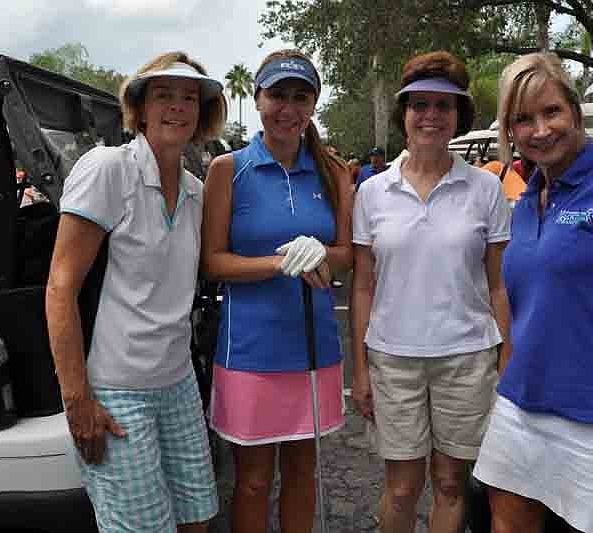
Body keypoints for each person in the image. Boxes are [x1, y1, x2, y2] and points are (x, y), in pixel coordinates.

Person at [472, 52, 593, 533]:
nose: (539, 130)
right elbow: (522, 307)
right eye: (523, 119)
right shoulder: (523, 204)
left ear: (575, 113)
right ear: (511, 131)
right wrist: (505, 381)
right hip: (521, 408)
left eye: (551, 112)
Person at [46, 52, 227, 533]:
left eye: (190, 97)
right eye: (163, 94)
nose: (177, 107)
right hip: (117, 391)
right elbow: (60, 289)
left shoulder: (194, 190)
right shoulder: (110, 170)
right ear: (140, 108)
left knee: (198, 519)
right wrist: (77, 400)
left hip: (179, 384)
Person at [351, 51, 512, 533]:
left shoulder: (486, 189)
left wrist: (507, 360)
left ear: (458, 116)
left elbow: (499, 284)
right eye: (420, 105)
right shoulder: (373, 192)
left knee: (449, 485)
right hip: (393, 358)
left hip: (467, 357)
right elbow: (362, 284)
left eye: (444, 106)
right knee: (401, 489)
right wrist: (360, 367)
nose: (431, 116)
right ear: (404, 114)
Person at [201, 49, 352, 533]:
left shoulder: (333, 170)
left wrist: (323, 255)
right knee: (252, 480)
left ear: (313, 105)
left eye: (300, 97)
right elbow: (212, 261)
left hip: (313, 347)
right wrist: (279, 262)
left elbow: (348, 254)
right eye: (277, 95)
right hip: (249, 350)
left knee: (303, 472)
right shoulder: (229, 169)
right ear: (259, 98)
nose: (287, 108)